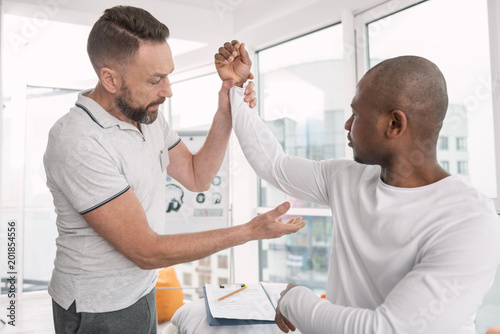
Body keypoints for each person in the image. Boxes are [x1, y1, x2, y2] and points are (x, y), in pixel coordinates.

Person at [43, 6, 307, 333]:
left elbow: (198, 176)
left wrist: (226, 102)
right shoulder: (78, 140)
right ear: (109, 79)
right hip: (97, 306)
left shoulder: (147, 118)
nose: (168, 90)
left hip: (141, 289)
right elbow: (146, 250)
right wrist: (250, 231)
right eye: (155, 80)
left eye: (168, 75)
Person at [216, 42, 500, 333]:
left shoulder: (470, 221)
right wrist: (236, 89)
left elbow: (385, 330)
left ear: (394, 124)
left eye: (357, 114)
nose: (347, 124)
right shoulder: (347, 177)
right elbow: (274, 165)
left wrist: (292, 297)